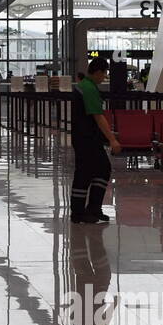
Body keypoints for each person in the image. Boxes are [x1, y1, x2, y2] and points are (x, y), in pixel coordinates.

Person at [70, 57, 120, 225]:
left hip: (86, 137)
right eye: (104, 73)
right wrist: (112, 140)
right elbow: (98, 117)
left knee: (101, 169)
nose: (104, 77)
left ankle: (92, 208)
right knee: (86, 173)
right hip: (86, 138)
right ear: (98, 72)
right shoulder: (89, 89)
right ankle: (79, 212)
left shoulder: (84, 86)